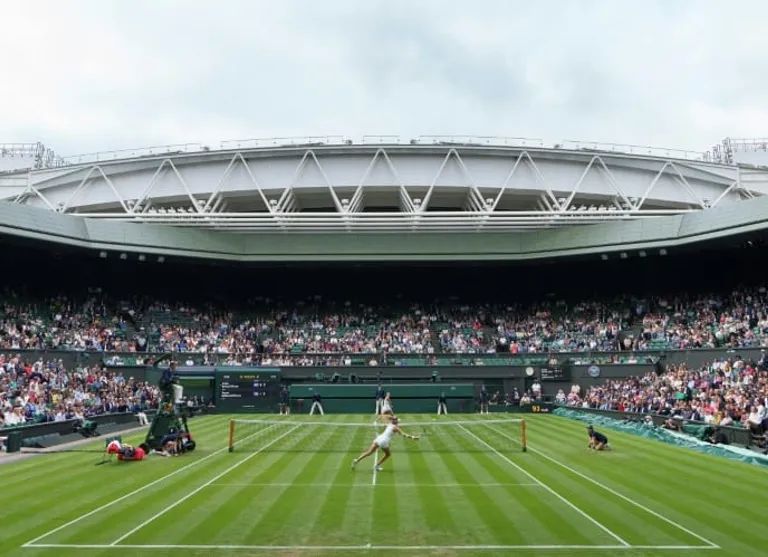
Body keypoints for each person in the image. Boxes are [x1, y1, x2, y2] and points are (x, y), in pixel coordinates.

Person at [351, 415, 419, 471]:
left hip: (378, 438)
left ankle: (356, 460)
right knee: (388, 454)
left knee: (369, 452)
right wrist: (413, 437)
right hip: (383, 441)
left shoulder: (389, 424)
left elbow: (383, 417)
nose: (399, 422)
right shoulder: (396, 428)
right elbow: (404, 434)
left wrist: (390, 418)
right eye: (398, 421)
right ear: (396, 422)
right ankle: (377, 465)